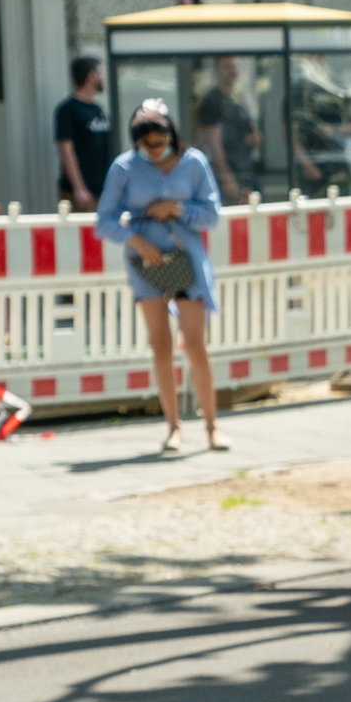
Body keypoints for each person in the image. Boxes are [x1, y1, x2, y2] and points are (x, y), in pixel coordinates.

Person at [93, 100, 226, 454]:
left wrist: (178, 208)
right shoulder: (124, 167)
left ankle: (212, 426)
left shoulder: (194, 162)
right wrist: (134, 238)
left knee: (196, 345)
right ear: (136, 141)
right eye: (146, 145)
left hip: (188, 260)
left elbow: (212, 214)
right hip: (145, 264)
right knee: (161, 345)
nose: (153, 151)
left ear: (171, 134)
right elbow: (103, 220)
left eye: (159, 142)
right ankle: (173, 428)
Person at [195, 57, 263, 198]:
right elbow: (213, 144)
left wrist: (253, 138)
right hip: (228, 174)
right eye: (227, 67)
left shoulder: (238, 98)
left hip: (247, 170)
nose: (233, 71)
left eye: (235, 67)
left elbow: (250, 133)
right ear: (217, 71)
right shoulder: (212, 101)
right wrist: (227, 178)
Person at [54, 57, 111, 211]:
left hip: (102, 190)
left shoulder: (97, 109)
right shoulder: (68, 110)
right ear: (91, 76)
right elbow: (66, 149)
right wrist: (79, 188)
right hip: (83, 192)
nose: (102, 78)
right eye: (99, 73)